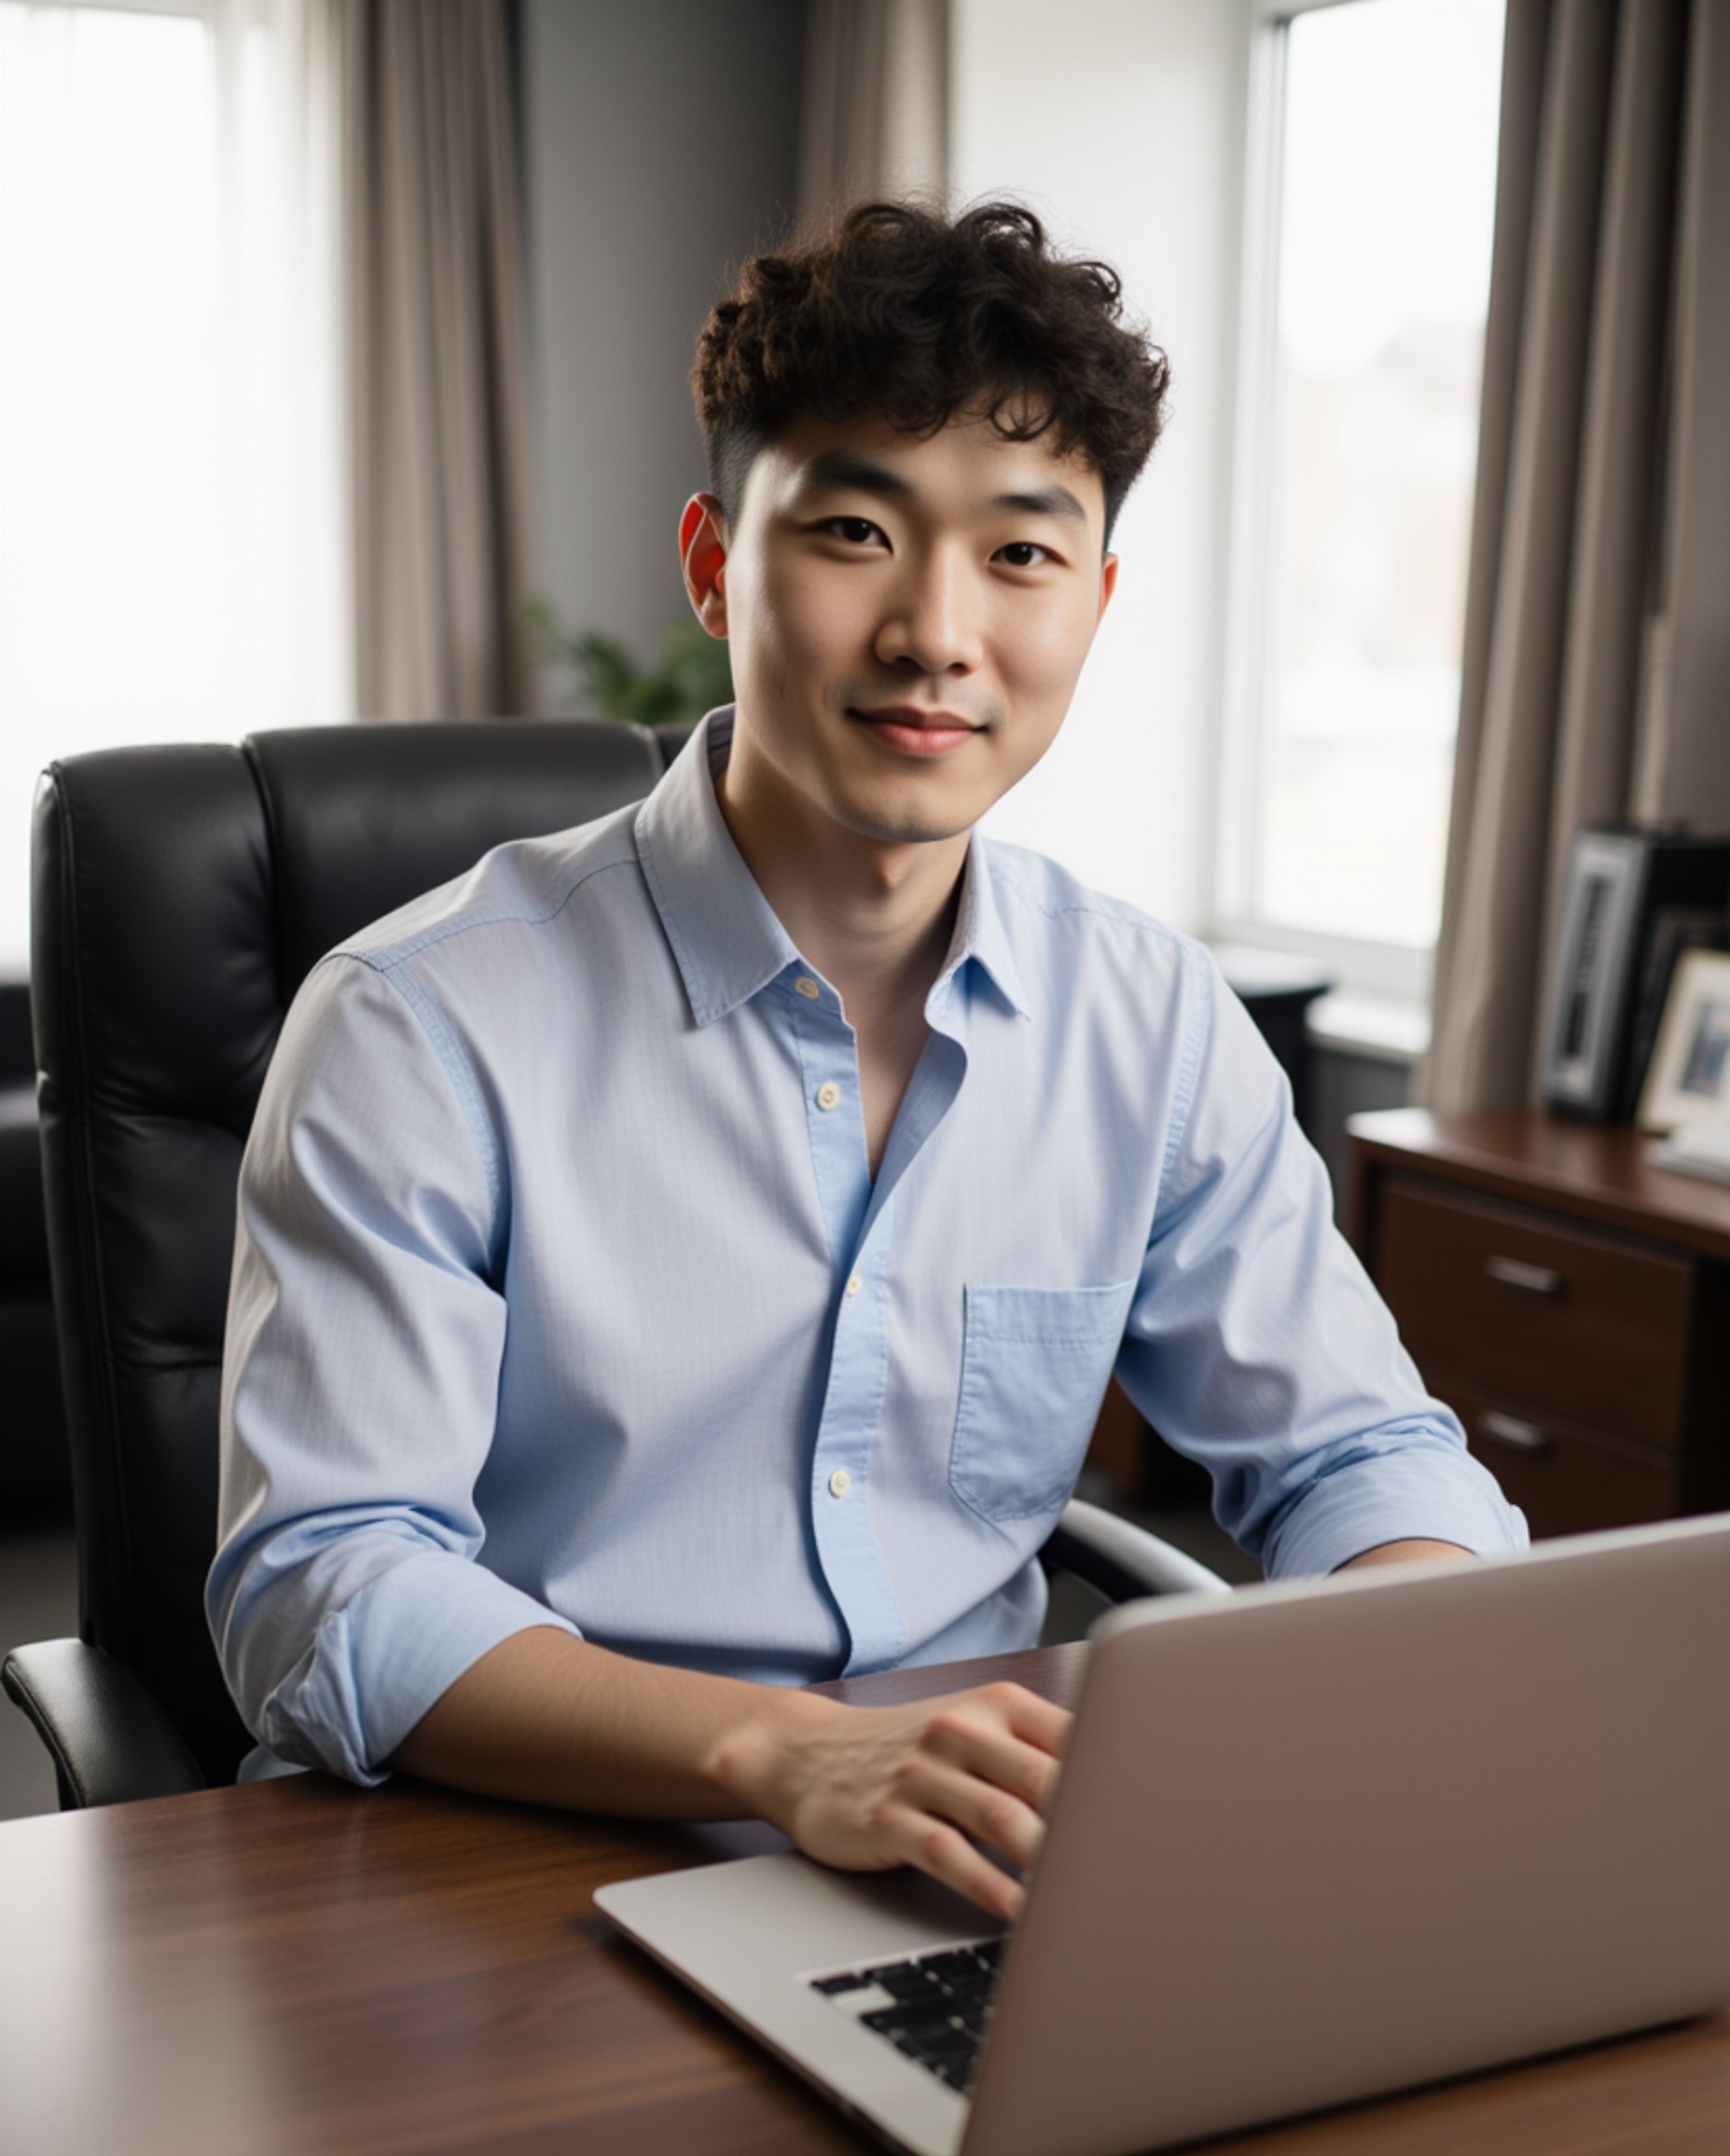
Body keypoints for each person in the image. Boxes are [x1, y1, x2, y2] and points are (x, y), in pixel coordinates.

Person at [210, 200, 1525, 1921]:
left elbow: (1363, 1456)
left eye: (1024, 555)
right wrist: (776, 1751)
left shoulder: (1151, 1022)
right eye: (852, 531)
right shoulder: (423, 1022)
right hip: (502, 1871)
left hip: (967, 1864)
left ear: (1097, 602)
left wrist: (1394, 1627)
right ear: (711, 565)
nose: (936, 632)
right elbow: (325, 1584)